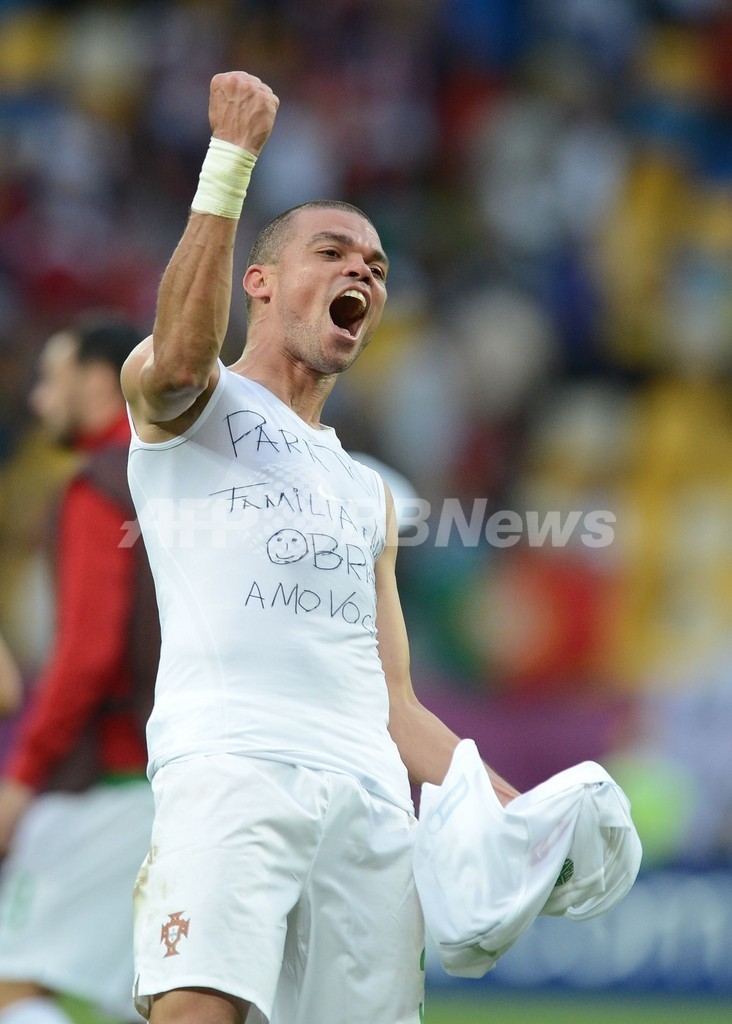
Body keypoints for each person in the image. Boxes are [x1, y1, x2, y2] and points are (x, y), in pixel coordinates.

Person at [121, 71, 519, 1024]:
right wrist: (231, 161)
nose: (361, 274)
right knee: (198, 1011)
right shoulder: (194, 405)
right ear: (258, 283)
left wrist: (518, 812)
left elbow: (394, 704)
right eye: (331, 252)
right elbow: (179, 358)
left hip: (370, 803)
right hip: (234, 766)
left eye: (375, 267)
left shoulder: (365, 490)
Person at [0, 318, 160, 1024]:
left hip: (109, 779)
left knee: (12, 984)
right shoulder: (182, 477)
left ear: (98, 383)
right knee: (161, 999)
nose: (39, 401)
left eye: (51, 380)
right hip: (185, 775)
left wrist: (22, 776)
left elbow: (86, 654)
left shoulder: (101, 486)